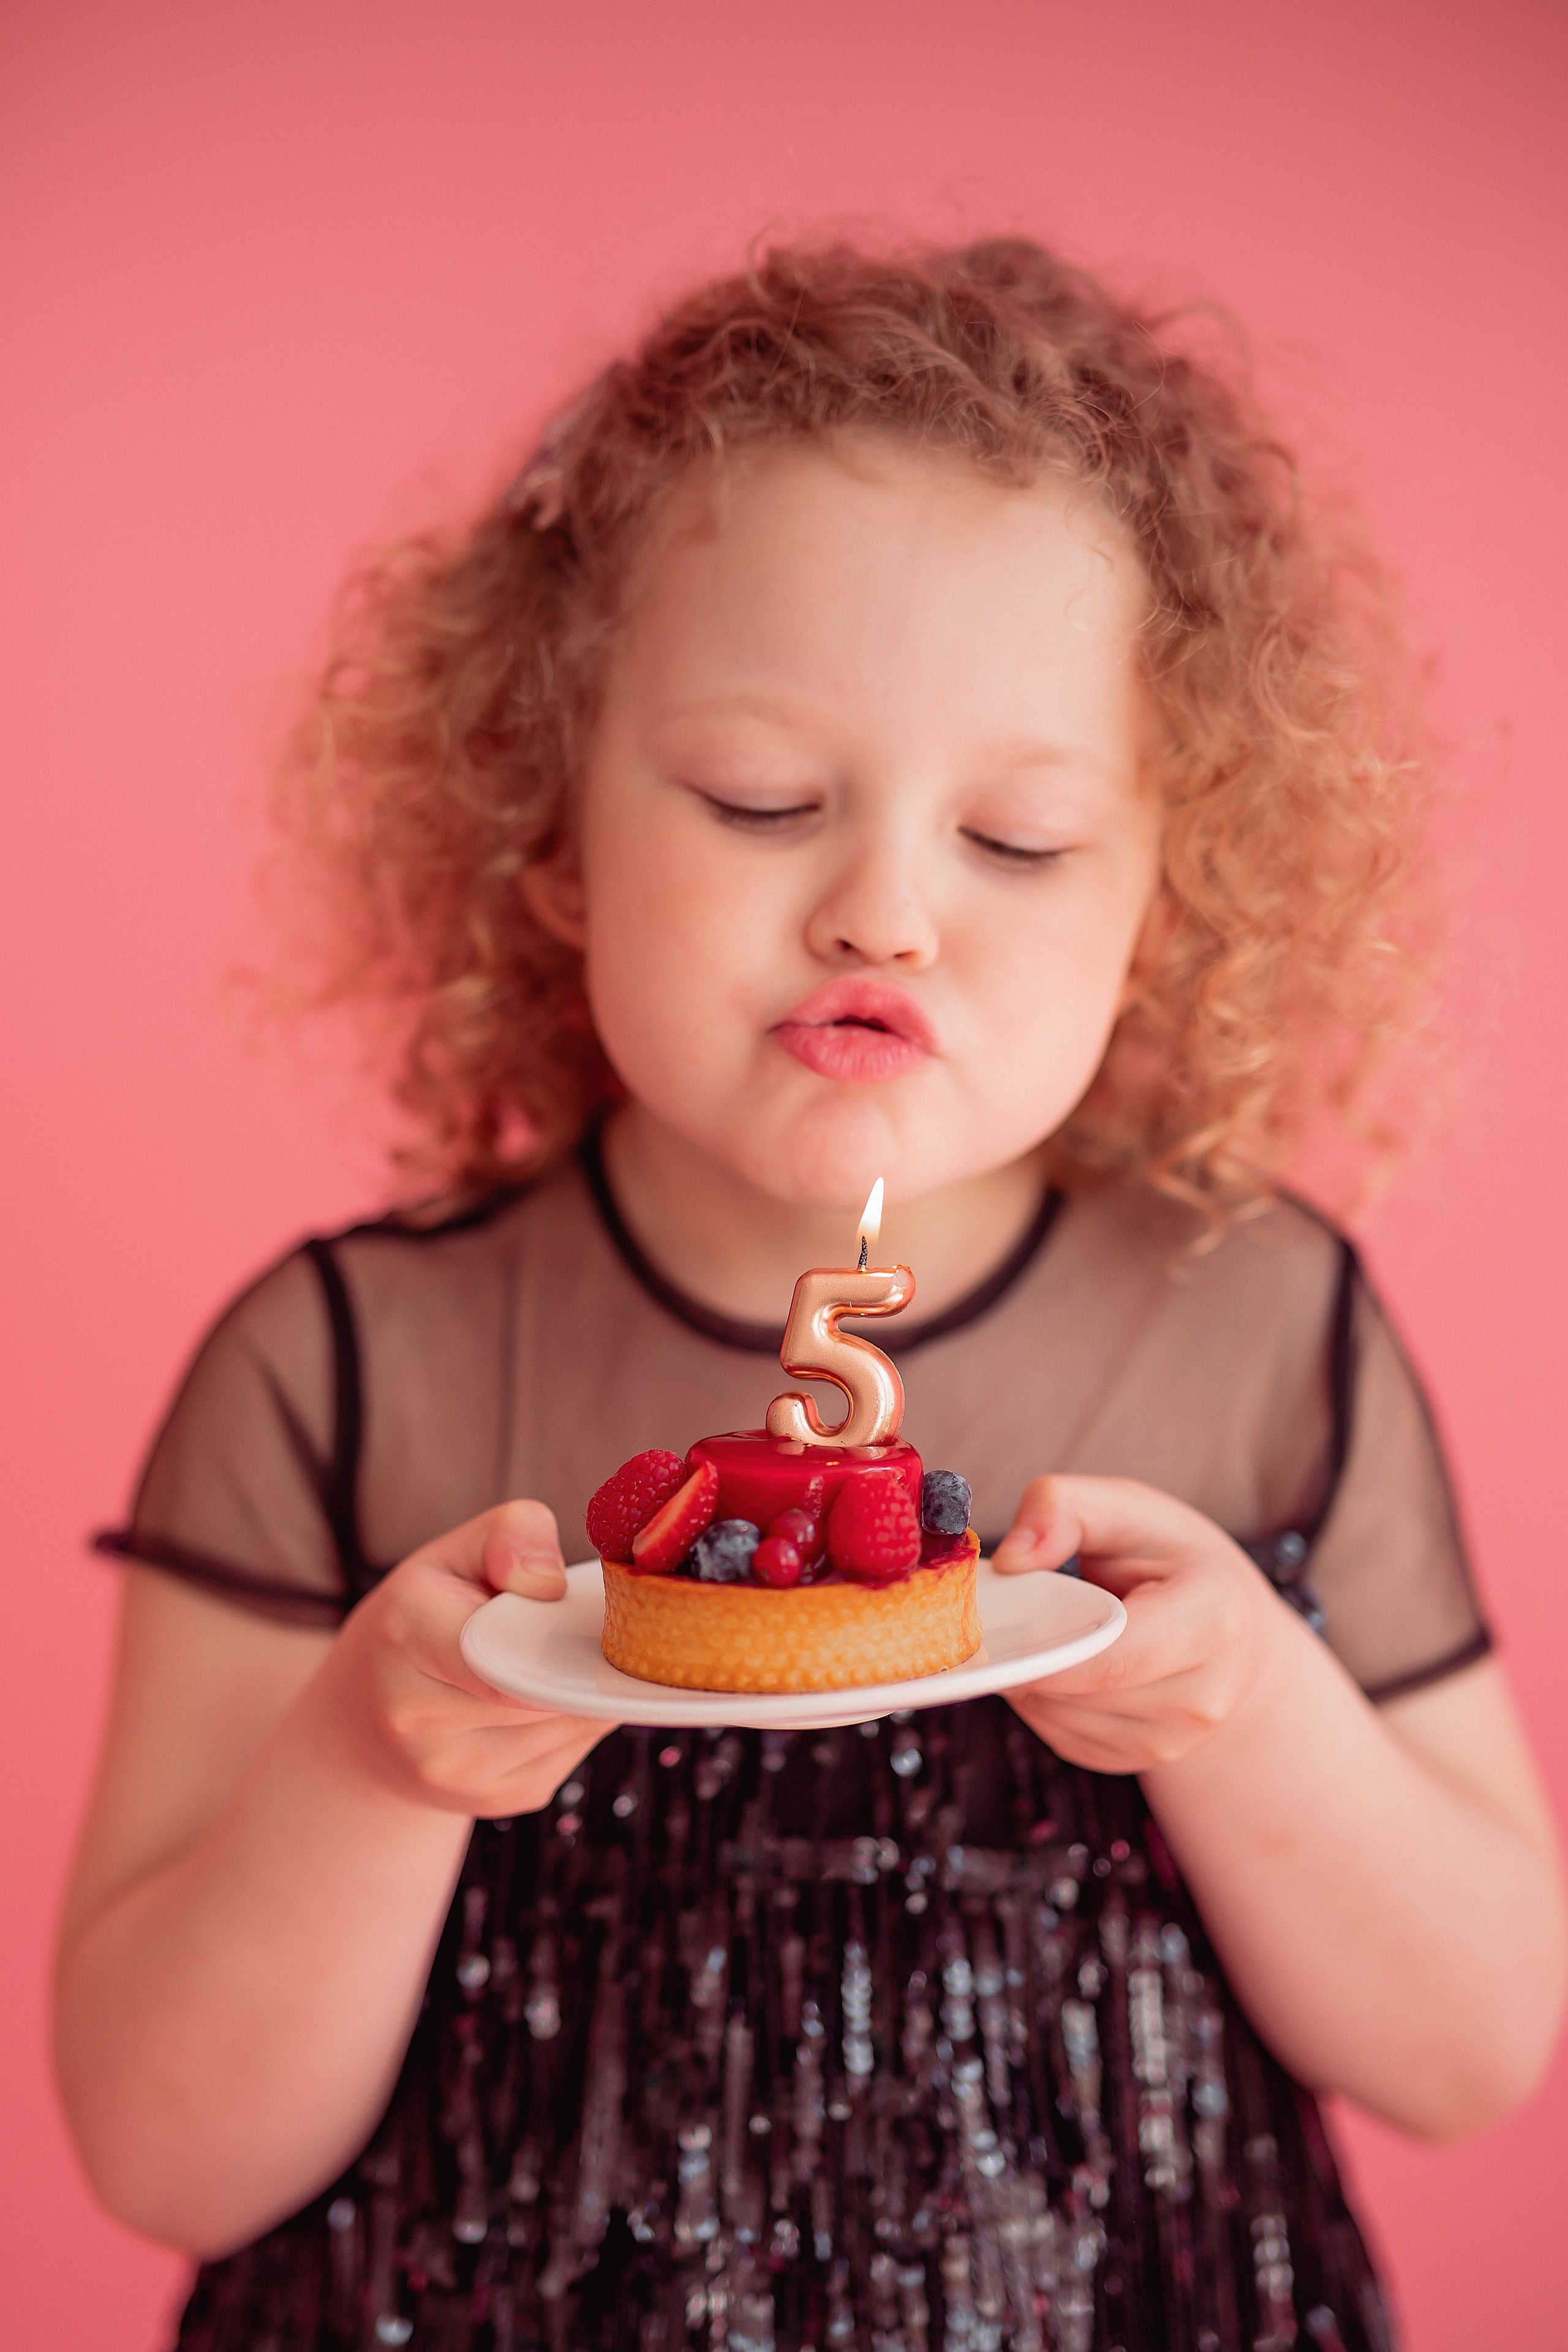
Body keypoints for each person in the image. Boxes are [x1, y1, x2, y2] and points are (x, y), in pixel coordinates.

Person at [55, 241, 1565, 2352]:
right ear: (554, 831)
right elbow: (163, 2151)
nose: (882, 906)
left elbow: (1476, 2049)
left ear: (1169, 894)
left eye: (1021, 840)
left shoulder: (1261, 1333)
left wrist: (1244, 1714)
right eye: (766, 802)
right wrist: (372, 1772)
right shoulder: (339, 1372)